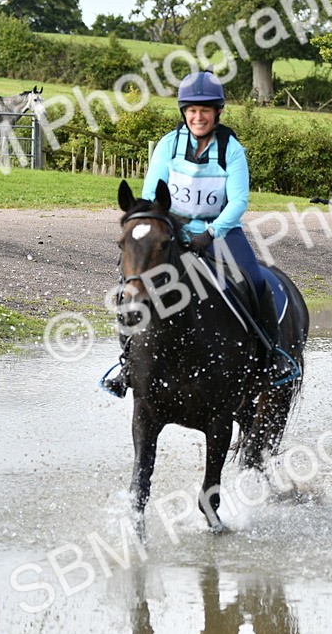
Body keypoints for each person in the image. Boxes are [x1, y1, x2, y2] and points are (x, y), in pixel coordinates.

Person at [102, 70, 282, 398]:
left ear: (217, 113)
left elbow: (239, 200)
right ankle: (127, 365)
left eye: (205, 111)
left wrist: (211, 232)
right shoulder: (169, 145)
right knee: (128, 290)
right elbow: (152, 193)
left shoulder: (231, 149)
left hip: (221, 232)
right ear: (184, 113)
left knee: (255, 280)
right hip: (172, 230)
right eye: (192, 111)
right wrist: (164, 226)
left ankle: (271, 359)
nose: (198, 117)